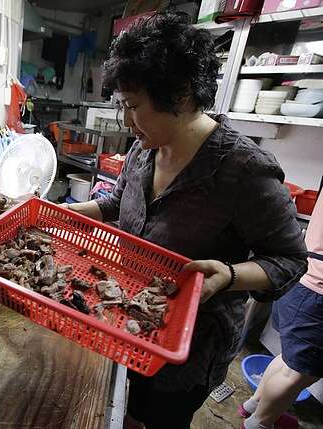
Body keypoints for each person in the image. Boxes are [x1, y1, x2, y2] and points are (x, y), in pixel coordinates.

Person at [62, 12, 308, 429]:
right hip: (128, 316)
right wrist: (68, 214)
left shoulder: (243, 170)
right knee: (119, 410)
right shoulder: (145, 148)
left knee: (159, 419)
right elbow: (120, 203)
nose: (126, 121)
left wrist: (228, 275)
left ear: (181, 94)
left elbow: (289, 259)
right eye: (124, 106)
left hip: (189, 349)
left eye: (134, 106)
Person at [239, 192, 322, 429]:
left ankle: (254, 407)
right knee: (300, 373)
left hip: (305, 278)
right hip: (317, 291)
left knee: (289, 360)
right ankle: (260, 423)